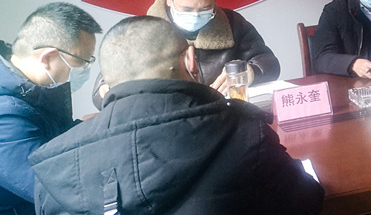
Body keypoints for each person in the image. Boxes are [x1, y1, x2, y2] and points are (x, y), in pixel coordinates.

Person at [30, 16, 325, 214]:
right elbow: (307, 200)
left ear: (106, 79)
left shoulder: (52, 167)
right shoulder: (244, 132)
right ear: (190, 59)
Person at [92, 0, 279, 106]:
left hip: (221, 115)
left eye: (205, 9)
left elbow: (270, 64)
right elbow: (101, 91)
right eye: (187, 9)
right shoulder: (142, 32)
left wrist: (251, 72)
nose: (195, 16)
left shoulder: (233, 24)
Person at [0, 2, 101, 214]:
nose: (85, 69)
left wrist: (91, 127)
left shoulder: (28, 90)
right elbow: (57, 190)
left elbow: (45, 140)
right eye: (82, 62)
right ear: (47, 58)